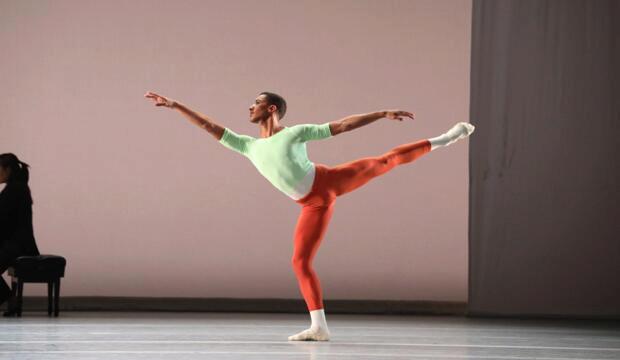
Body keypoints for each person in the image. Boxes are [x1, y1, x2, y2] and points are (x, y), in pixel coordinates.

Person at [145, 91, 475, 341]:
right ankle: (319, 327)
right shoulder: (247, 145)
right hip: (311, 205)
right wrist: (176, 106)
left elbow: (342, 125)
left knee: (385, 161)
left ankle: (445, 139)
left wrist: (380, 113)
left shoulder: (295, 132)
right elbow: (209, 126)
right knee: (300, 263)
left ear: (271, 109)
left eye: (256, 103)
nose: (249, 107)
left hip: (328, 180)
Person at [0, 153, 40, 316]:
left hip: (18, 245)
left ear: (8, 169)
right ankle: (10, 298)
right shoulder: (16, 188)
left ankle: (10, 298)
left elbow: (5, 222)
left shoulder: (15, 189)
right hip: (13, 242)